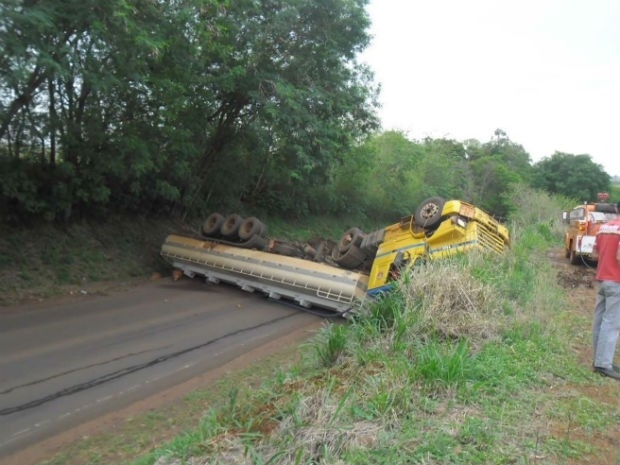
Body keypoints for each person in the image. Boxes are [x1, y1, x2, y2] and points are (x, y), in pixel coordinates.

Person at [591, 201, 620, 380]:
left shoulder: (603, 228)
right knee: (612, 323)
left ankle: (600, 359)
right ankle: (603, 364)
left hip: (602, 279)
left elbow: (595, 253)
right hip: (616, 281)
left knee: (599, 321)